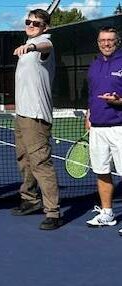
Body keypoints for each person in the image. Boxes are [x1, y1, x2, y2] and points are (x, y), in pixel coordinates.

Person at [12, 9, 62, 230]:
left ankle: (53, 212)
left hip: (36, 116)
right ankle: (30, 200)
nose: (31, 24)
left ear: (46, 27)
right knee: (24, 160)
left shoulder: (44, 44)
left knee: (41, 163)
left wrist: (31, 46)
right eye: (29, 21)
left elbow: (45, 47)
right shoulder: (28, 43)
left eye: (37, 23)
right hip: (22, 115)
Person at [83, 26, 122, 235]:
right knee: (102, 171)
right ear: (98, 43)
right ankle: (107, 213)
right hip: (98, 128)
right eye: (102, 40)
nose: (106, 44)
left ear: (117, 42)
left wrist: (118, 101)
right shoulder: (94, 65)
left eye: (110, 40)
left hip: (120, 127)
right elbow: (91, 94)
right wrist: (89, 114)